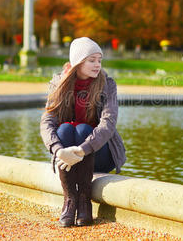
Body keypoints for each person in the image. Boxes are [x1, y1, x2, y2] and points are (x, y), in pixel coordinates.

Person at [40, 37, 126, 227]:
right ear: (77, 62)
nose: (97, 65)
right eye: (92, 60)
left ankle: (85, 200)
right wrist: (57, 150)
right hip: (67, 150)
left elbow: (107, 125)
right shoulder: (59, 83)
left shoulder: (107, 84)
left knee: (84, 129)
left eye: (99, 60)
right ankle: (70, 200)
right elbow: (47, 121)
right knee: (64, 129)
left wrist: (82, 150)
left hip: (100, 153)